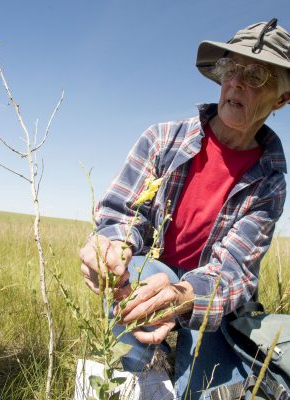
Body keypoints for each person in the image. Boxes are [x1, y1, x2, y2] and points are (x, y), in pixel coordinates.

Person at [80, 19, 290, 399]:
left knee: (205, 387)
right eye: (232, 68)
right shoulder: (162, 139)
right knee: (138, 293)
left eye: (257, 74)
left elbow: (235, 270)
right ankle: (140, 372)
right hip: (152, 270)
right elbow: (120, 214)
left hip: (208, 295)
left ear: (281, 99)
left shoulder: (271, 180)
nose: (238, 82)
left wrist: (184, 296)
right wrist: (111, 246)